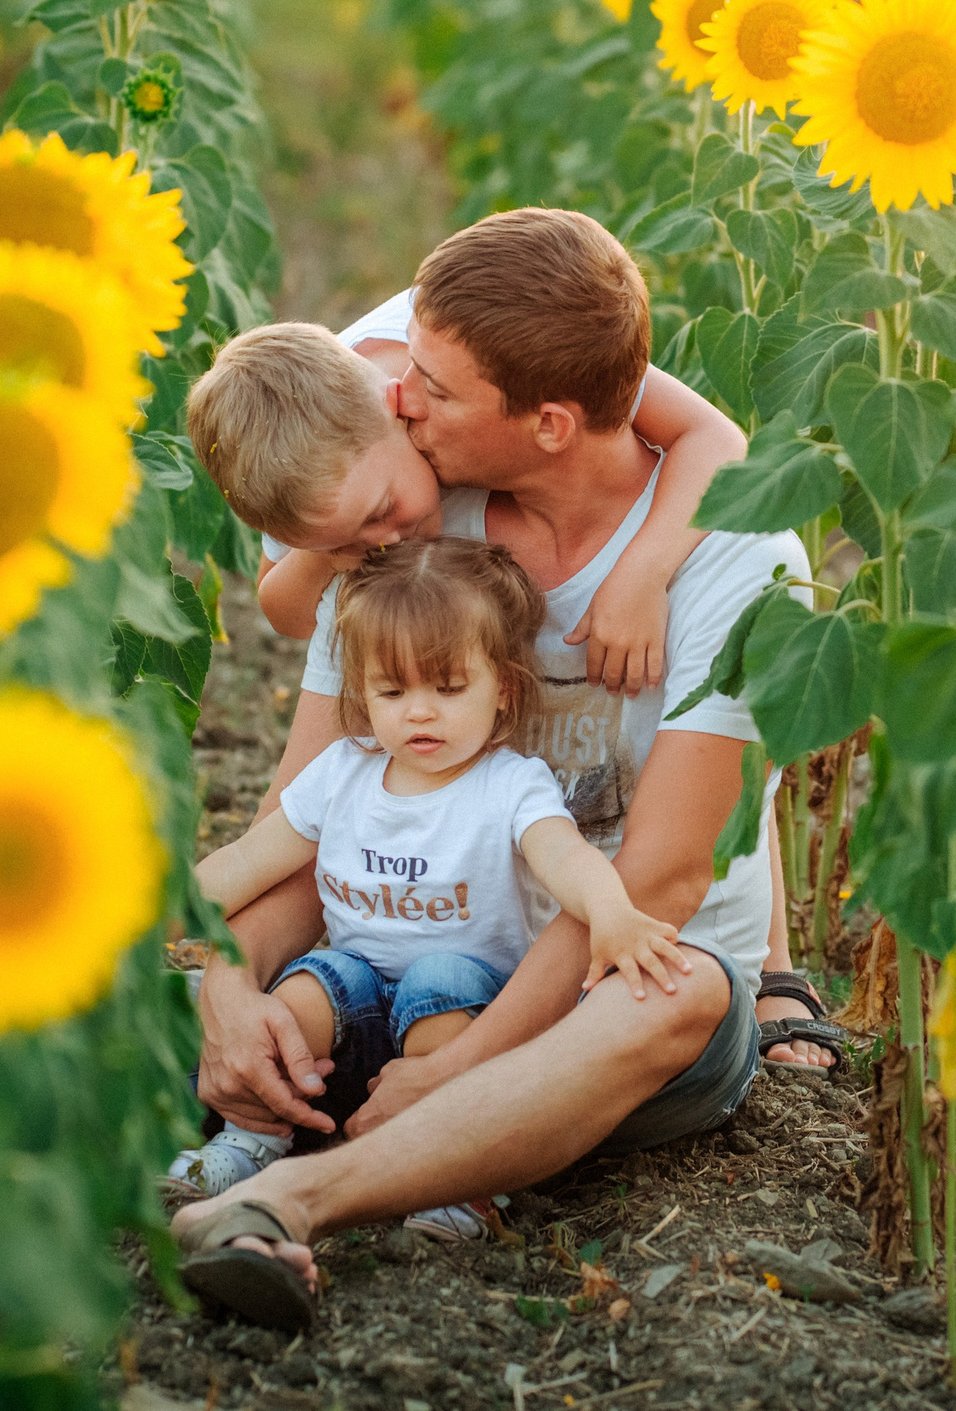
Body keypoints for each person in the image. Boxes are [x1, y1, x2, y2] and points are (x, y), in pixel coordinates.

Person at [168, 208, 824, 1330]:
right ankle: (309, 1112)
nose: (400, 399)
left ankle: (290, 1197)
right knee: (187, 990)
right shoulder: (405, 535)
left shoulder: (740, 558)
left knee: (677, 991)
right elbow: (308, 810)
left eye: (434, 386)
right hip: (403, 973)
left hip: (600, 1013)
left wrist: (464, 1068)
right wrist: (224, 984)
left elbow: (662, 880)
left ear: (552, 423)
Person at [187, 292, 843, 1075]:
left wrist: (643, 571)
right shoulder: (324, 464)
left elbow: (713, 436)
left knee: (708, 731)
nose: (385, 545)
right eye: (348, 544)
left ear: (397, 407)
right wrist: (228, 980)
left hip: (635, 930)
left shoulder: (504, 352)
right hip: (476, 943)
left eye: (385, 513)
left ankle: (773, 964)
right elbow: (289, 629)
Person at [172, 536, 688, 1242]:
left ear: (502, 687)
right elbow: (246, 862)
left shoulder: (509, 784)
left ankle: (453, 1175)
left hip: (460, 1019)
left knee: (440, 980)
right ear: (362, 691)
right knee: (309, 983)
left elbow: (566, 857)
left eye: (448, 689)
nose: (420, 712)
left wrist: (612, 914)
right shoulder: (342, 774)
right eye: (393, 691)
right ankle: (254, 1135)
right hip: (357, 1012)